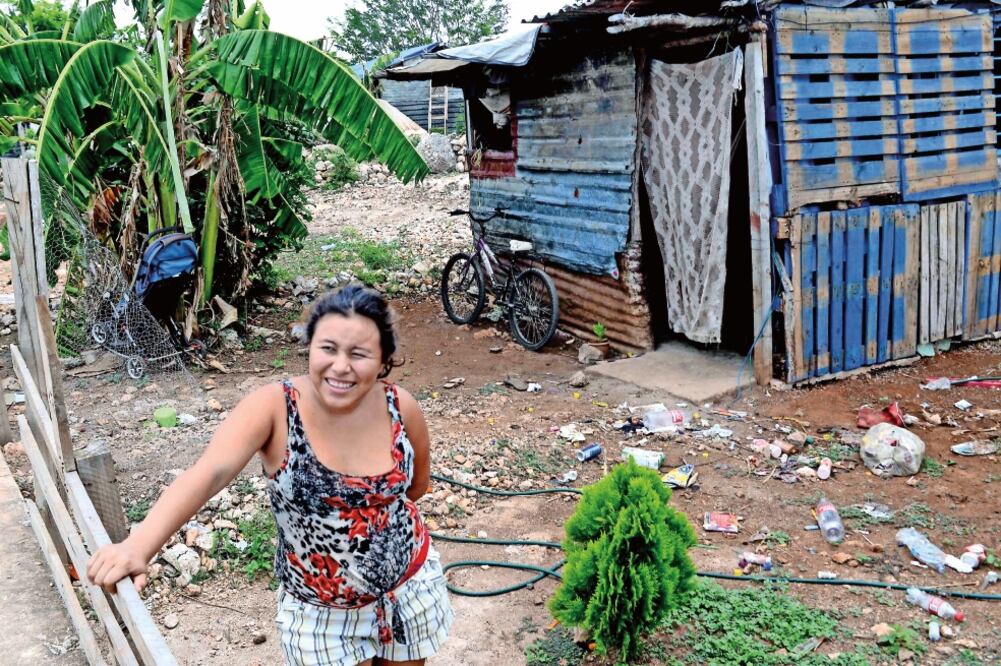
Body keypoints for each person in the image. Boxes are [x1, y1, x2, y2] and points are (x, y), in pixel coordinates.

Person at [88, 284, 454, 666]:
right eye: (327, 348)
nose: (340, 366)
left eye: (358, 354)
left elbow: (416, 487)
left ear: (382, 361)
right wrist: (138, 546)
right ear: (310, 347)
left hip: (408, 591)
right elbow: (209, 472)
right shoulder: (275, 407)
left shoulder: (401, 407)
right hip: (321, 614)